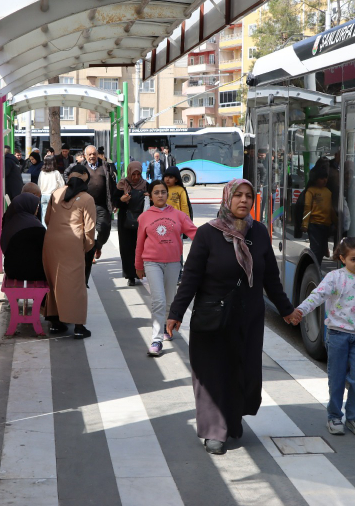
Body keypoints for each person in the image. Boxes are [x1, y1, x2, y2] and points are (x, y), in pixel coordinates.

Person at [167, 180, 299, 454]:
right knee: (213, 373)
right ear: (227, 198)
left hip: (248, 318)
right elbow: (190, 277)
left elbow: (270, 278)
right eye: (237, 195)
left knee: (244, 374)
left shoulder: (259, 233)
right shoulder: (207, 234)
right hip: (213, 317)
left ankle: (232, 419)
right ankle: (214, 430)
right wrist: (176, 313)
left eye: (248, 196)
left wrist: (286, 309)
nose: (243, 200)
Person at [290, 237, 355, 437]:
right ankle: (334, 416)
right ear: (342, 258)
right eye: (353, 259)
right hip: (337, 335)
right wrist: (300, 311)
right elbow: (316, 296)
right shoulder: (334, 278)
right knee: (336, 378)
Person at [135, 180, 197, 356]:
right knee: (158, 300)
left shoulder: (178, 215)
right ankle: (156, 340)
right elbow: (139, 243)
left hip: (173, 263)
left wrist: (214, 240)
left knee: (170, 300)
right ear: (150, 195)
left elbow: (195, 233)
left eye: (163, 192)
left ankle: (165, 326)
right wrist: (138, 265)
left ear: (167, 194)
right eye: (156, 192)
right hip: (151, 262)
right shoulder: (145, 217)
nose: (160, 195)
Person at [42, 165, 96, 339]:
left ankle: (56, 323)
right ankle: (79, 326)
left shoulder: (56, 193)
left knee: (54, 281)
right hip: (73, 243)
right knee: (75, 284)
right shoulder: (87, 198)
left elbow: (47, 219)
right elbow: (90, 228)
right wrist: (86, 248)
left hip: (51, 241)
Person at [83, 145, 116, 283]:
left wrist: (114, 202)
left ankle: (99, 245)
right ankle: (90, 253)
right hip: (86, 206)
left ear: (98, 155)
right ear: (85, 156)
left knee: (104, 228)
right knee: (87, 232)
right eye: (89, 154)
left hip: (102, 204)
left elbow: (113, 185)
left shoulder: (106, 166)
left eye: (94, 154)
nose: (92, 156)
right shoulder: (81, 168)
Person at [112, 161, 148, 286]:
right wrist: (121, 200)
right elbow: (115, 201)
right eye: (134, 174)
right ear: (129, 172)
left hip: (142, 220)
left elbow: (152, 201)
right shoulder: (122, 184)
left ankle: (141, 272)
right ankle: (130, 275)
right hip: (125, 220)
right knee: (127, 247)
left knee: (141, 246)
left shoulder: (145, 185)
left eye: (138, 174)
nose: (136, 177)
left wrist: (149, 197)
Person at [1, 193, 46, 281]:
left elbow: (4, 247)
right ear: (28, 206)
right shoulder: (36, 226)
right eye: (36, 206)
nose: (37, 209)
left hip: (11, 271)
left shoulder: (9, 223)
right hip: (36, 272)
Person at [302, 164, 336, 265]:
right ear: (315, 179)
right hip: (314, 224)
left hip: (326, 225)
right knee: (316, 249)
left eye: (325, 178)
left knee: (320, 250)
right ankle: (314, 268)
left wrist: (336, 221)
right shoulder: (311, 191)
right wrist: (305, 224)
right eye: (321, 178)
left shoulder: (328, 192)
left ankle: (317, 267)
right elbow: (307, 208)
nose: (324, 180)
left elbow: (331, 209)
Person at [38, 155, 65, 228]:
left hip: (43, 195)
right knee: (53, 216)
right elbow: (62, 185)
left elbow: (39, 184)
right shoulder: (56, 173)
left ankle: (44, 232)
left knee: (44, 216)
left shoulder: (42, 172)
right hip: (53, 196)